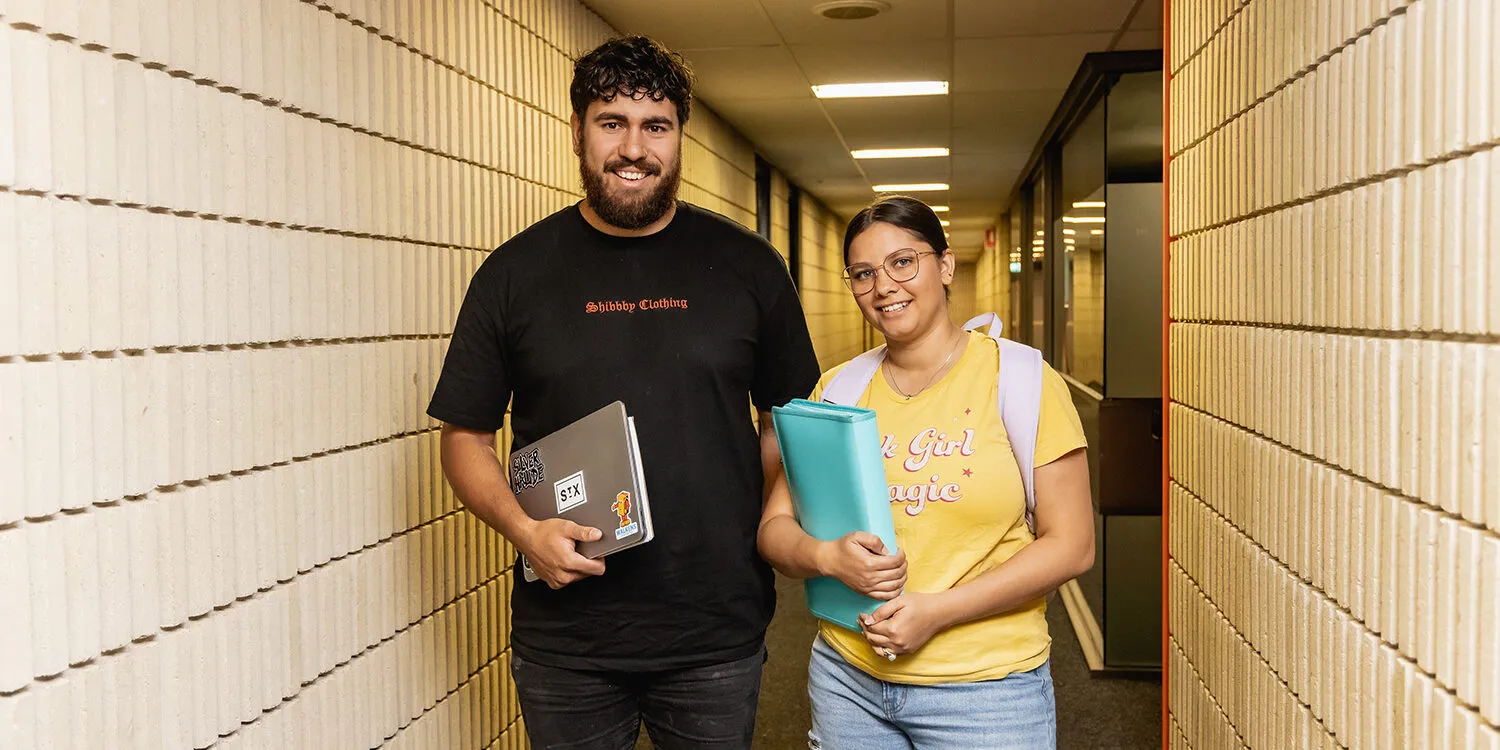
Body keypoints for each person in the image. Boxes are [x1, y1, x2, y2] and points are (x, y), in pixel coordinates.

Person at [427, 36, 820, 749]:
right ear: (577, 130)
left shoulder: (749, 267)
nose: (633, 148)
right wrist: (524, 532)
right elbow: (464, 438)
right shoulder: (514, 275)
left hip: (714, 630)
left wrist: (737, 504)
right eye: (612, 122)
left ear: (680, 139)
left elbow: (790, 418)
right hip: (566, 637)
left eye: (656, 126)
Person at [757, 196, 1095, 749]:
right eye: (863, 274)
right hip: (849, 681)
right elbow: (774, 529)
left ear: (944, 266)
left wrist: (938, 612)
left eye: (902, 262)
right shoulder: (837, 391)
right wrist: (826, 557)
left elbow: (1073, 545)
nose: (883, 285)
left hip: (987, 691)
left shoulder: (1021, 380)